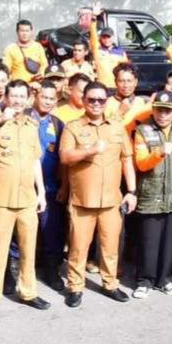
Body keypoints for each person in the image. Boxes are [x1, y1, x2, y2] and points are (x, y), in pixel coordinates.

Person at [58, 82, 136, 307]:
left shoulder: (116, 127)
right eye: (91, 99)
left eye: (101, 100)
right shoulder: (73, 127)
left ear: (106, 102)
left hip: (111, 200)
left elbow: (127, 159)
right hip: (82, 200)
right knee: (78, 248)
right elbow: (65, 157)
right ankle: (75, 286)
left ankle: (110, 283)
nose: (96, 104)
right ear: (84, 100)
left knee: (110, 247)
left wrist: (131, 191)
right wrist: (90, 149)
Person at [0, 80, 49, 318]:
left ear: (28, 98)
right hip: (1, 199)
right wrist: (1, 120)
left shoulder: (31, 125)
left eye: (22, 96)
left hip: (28, 198)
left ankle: (28, 292)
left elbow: (35, 160)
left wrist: (41, 193)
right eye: (13, 96)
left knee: (29, 249)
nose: (17, 100)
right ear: (6, 98)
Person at [131, 91, 172, 298]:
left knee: (169, 241)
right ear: (153, 109)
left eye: (167, 110)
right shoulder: (143, 131)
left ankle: (163, 280)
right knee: (149, 241)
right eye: (158, 110)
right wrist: (160, 152)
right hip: (151, 195)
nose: (162, 114)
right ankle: (144, 280)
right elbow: (141, 163)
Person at [28, 82, 67, 289]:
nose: (48, 101)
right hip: (24, 186)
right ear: (36, 96)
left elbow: (62, 159)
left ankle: (52, 272)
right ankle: (16, 272)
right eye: (44, 97)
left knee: (51, 231)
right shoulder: (22, 118)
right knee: (21, 233)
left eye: (52, 98)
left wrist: (63, 186)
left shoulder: (58, 124)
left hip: (51, 187)